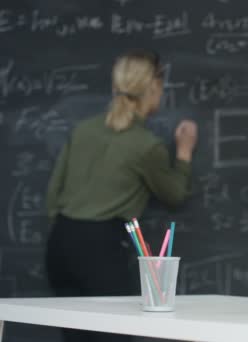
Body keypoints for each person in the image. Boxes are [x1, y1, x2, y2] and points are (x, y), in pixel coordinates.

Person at [45, 49, 198, 342]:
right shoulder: (145, 145)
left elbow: (53, 195)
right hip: (101, 250)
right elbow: (175, 195)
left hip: (60, 244)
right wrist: (184, 153)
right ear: (153, 89)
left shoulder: (84, 130)